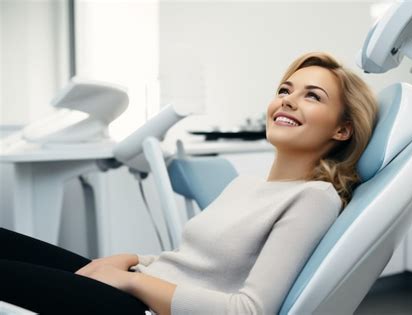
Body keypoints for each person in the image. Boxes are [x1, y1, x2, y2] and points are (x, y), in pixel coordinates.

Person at [0, 52, 377, 315]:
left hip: (141, 307)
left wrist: (130, 283)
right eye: (284, 90)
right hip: (142, 283)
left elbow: (248, 311)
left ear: (343, 129)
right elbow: (192, 265)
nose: (288, 101)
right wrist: (132, 260)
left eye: (312, 96)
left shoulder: (314, 198)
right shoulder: (244, 185)